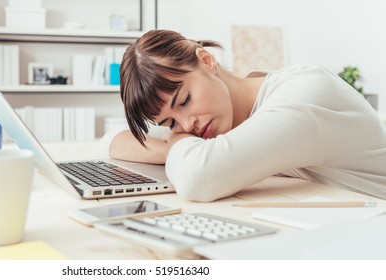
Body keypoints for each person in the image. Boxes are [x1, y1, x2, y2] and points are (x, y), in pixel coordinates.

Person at [100, 29, 386, 202]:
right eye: (169, 123)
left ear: (207, 61)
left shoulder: (300, 99)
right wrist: (171, 146)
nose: (187, 125)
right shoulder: (227, 115)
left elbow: (197, 178)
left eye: (185, 100)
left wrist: (175, 143)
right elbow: (111, 141)